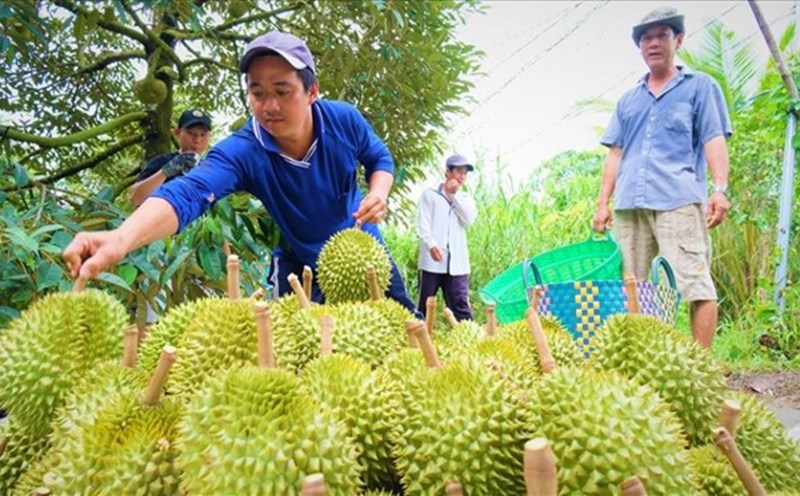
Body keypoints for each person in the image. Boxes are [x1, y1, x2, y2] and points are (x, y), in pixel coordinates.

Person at [63, 30, 419, 314]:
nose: (270, 106)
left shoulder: (343, 120)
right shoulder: (243, 151)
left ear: (312, 91)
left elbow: (379, 159)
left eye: (282, 91)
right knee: (300, 355)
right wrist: (121, 239)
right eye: (258, 93)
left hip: (363, 245)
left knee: (404, 327)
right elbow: (187, 193)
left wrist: (378, 193)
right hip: (299, 260)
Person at [591, 6, 731, 349]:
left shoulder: (700, 87)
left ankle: (700, 369)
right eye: (646, 38)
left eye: (661, 35)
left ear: (677, 40)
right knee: (635, 288)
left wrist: (720, 189)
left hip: (678, 201)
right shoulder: (628, 101)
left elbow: (713, 138)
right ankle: (647, 360)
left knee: (695, 284)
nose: (653, 43)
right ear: (640, 47)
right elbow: (616, 153)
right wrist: (602, 203)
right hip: (630, 204)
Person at [417, 154, 478, 321]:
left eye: (465, 173)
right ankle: (417, 341)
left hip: (458, 263)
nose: (462, 176)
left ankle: (471, 343)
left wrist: (454, 195)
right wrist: (431, 245)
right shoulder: (429, 195)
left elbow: (468, 220)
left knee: (461, 306)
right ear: (447, 172)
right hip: (433, 261)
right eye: (458, 171)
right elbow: (423, 225)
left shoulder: (465, 199)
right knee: (425, 304)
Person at [129, 109, 212, 207]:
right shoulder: (162, 161)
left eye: (203, 135)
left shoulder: (209, 169)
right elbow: (135, 198)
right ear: (177, 133)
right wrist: (165, 172)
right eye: (191, 133)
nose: (198, 140)